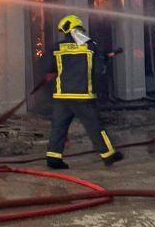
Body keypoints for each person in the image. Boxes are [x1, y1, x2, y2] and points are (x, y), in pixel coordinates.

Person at [44, 14, 124, 169]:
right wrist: (104, 61)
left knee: (58, 128)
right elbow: (99, 69)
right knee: (94, 126)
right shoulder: (90, 46)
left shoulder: (57, 48)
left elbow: (50, 69)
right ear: (77, 30)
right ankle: (108, 155)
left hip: (61, 96)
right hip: (82, 96)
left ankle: (53, 158)